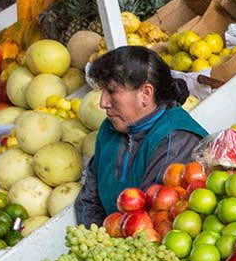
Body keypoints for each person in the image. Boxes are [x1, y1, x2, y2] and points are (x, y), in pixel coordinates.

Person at [74, 46, 207, 226]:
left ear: (145, 93)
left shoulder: (176, 140)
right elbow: (89, 198)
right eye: (102, 91)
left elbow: (151, 218)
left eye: (112, 92)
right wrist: (95, 238)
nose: (102, 103)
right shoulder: (110, 129)